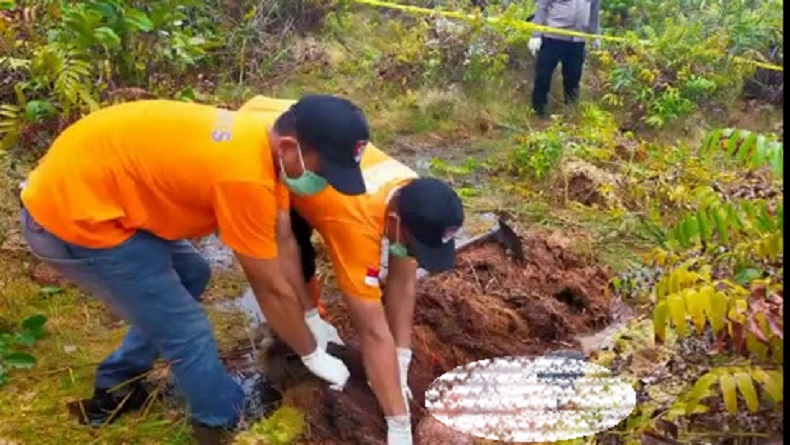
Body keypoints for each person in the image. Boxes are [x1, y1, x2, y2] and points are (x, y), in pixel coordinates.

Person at [18, 95, 370, 444]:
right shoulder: (244, 177)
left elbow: (284, 239)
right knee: (188, 330)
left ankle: (116, 386)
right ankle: (220, 422)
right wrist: (311, 353)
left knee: (192, 275)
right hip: (73, 217)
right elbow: (270, 288)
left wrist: (310, 316)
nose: (323, 181)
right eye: (323, 170)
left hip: (106, 189)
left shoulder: (265, 142)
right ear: (291, 146)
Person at [238, 95, 465, 445]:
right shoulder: (356, 228)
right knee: (289, 248)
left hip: (306, 136)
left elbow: (403, 281)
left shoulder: (413, 197)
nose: (416, 255)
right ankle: (296, 327)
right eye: (419, 247)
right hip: (271, 146)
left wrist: (400, 357)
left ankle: (310, 316)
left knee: (302, 252)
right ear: (393, 222)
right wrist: (399, 422)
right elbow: (371, 329)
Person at [528, 0, 601, 118]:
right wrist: (536, 35)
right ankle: (538, 111)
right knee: (543, 76)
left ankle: (571, 113)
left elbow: (594, 11)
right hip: (552, 38)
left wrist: (595, 34)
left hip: (577, 41)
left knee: (573, 79)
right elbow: (543, 7)